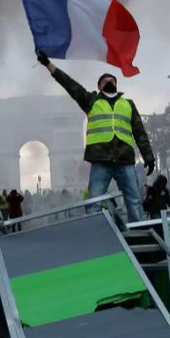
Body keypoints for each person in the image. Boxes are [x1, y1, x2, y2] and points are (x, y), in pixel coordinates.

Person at [36, 51, 155, 223]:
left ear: (117, 84)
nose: (109, 82)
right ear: (99, 86)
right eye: (105, 81)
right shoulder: (90, 100)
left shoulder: (128, 104)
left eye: (112, 80)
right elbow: (69, 84)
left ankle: (138, 234)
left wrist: (148, 156)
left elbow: (140, 133)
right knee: (94, 202)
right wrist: (49, 65)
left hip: (124, 159)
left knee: (134, 201)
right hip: (101, 160)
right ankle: (97, 233)